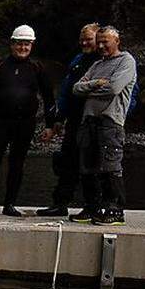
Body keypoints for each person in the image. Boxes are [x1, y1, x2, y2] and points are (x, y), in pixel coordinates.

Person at [0, 25, 56, 217]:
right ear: (12, 44)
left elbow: (49, 97)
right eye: (19, 44)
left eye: (27, 45)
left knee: (17, 163)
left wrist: (50, 125)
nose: (23, 48)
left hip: (25, 124)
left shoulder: (37, 68)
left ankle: (10, 204)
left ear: (31, 46)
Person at [70, 26, 137, 226]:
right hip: (89, 120)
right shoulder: (97, 64)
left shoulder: (126, 61)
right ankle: (92, 207)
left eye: (105, 41)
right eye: (98, 41)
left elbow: (114, 88)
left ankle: (115, 210)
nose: (100, 45)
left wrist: (91, 87)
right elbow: (76, 88)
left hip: (110, 122)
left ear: (117, 41)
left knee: (110, 166)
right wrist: (94, 84)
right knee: (87, 167)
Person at [36, 23, 101, 216]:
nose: (84, 42)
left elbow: (128, 93)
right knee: (66, 161)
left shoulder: (107, 61)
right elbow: (66, 91)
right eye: (82, 39)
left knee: (91, 164)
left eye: (89, 39)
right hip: (74, 118)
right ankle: (60, 203)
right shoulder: (78, 60)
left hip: (95, 120)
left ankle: (93, 206)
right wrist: (59, 118)